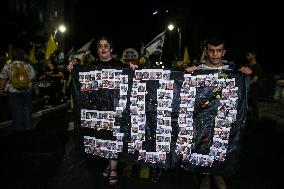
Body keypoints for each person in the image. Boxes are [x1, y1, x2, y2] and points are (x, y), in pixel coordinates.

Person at [184, 37, 251, 189]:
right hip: (203, 117)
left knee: (221, 145)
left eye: (219, 50)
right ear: (206, 51)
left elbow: (240, 87)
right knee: (203, 145)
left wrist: (244, 74)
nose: (215, 54)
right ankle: (206, 175)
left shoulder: (232, 70)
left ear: (223, 52)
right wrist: (187, 74)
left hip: (223, 117)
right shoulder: (198, 69)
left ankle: (217, 173)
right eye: (211, 50)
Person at [91, 36, 137, 186]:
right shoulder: (92, 65)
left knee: (114, 138)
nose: (103, 48)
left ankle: (113, 170)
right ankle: (110, 164)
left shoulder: (119, 64)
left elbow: (130, 80)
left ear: (111, 49)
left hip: (116, 109)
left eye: (106, 45)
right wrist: (73, 69)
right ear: (98, 50)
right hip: (99, 109)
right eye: (100, 46)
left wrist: (133, 71)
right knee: (104, 137)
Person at [0, 49, 36, 131]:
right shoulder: (28, 66)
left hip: (13, 91)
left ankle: (19, 128)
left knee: (16, 109)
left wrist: (1, 89)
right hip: (27, 91)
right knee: (27, 108)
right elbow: (33, 78)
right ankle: (28, 127)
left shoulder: (8, 66)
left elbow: (2, 79)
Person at [245, 48, 262, 124]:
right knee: (245, 103)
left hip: (253, 88)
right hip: (246, 88)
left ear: (254, 55)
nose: (247, 56)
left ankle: (256, 120)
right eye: (247, 55)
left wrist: (248, 84)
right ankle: (246, 118)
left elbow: (255, 78)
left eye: (249, 55)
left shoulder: (257, 66)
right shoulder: (247, 65)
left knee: (254, 103)